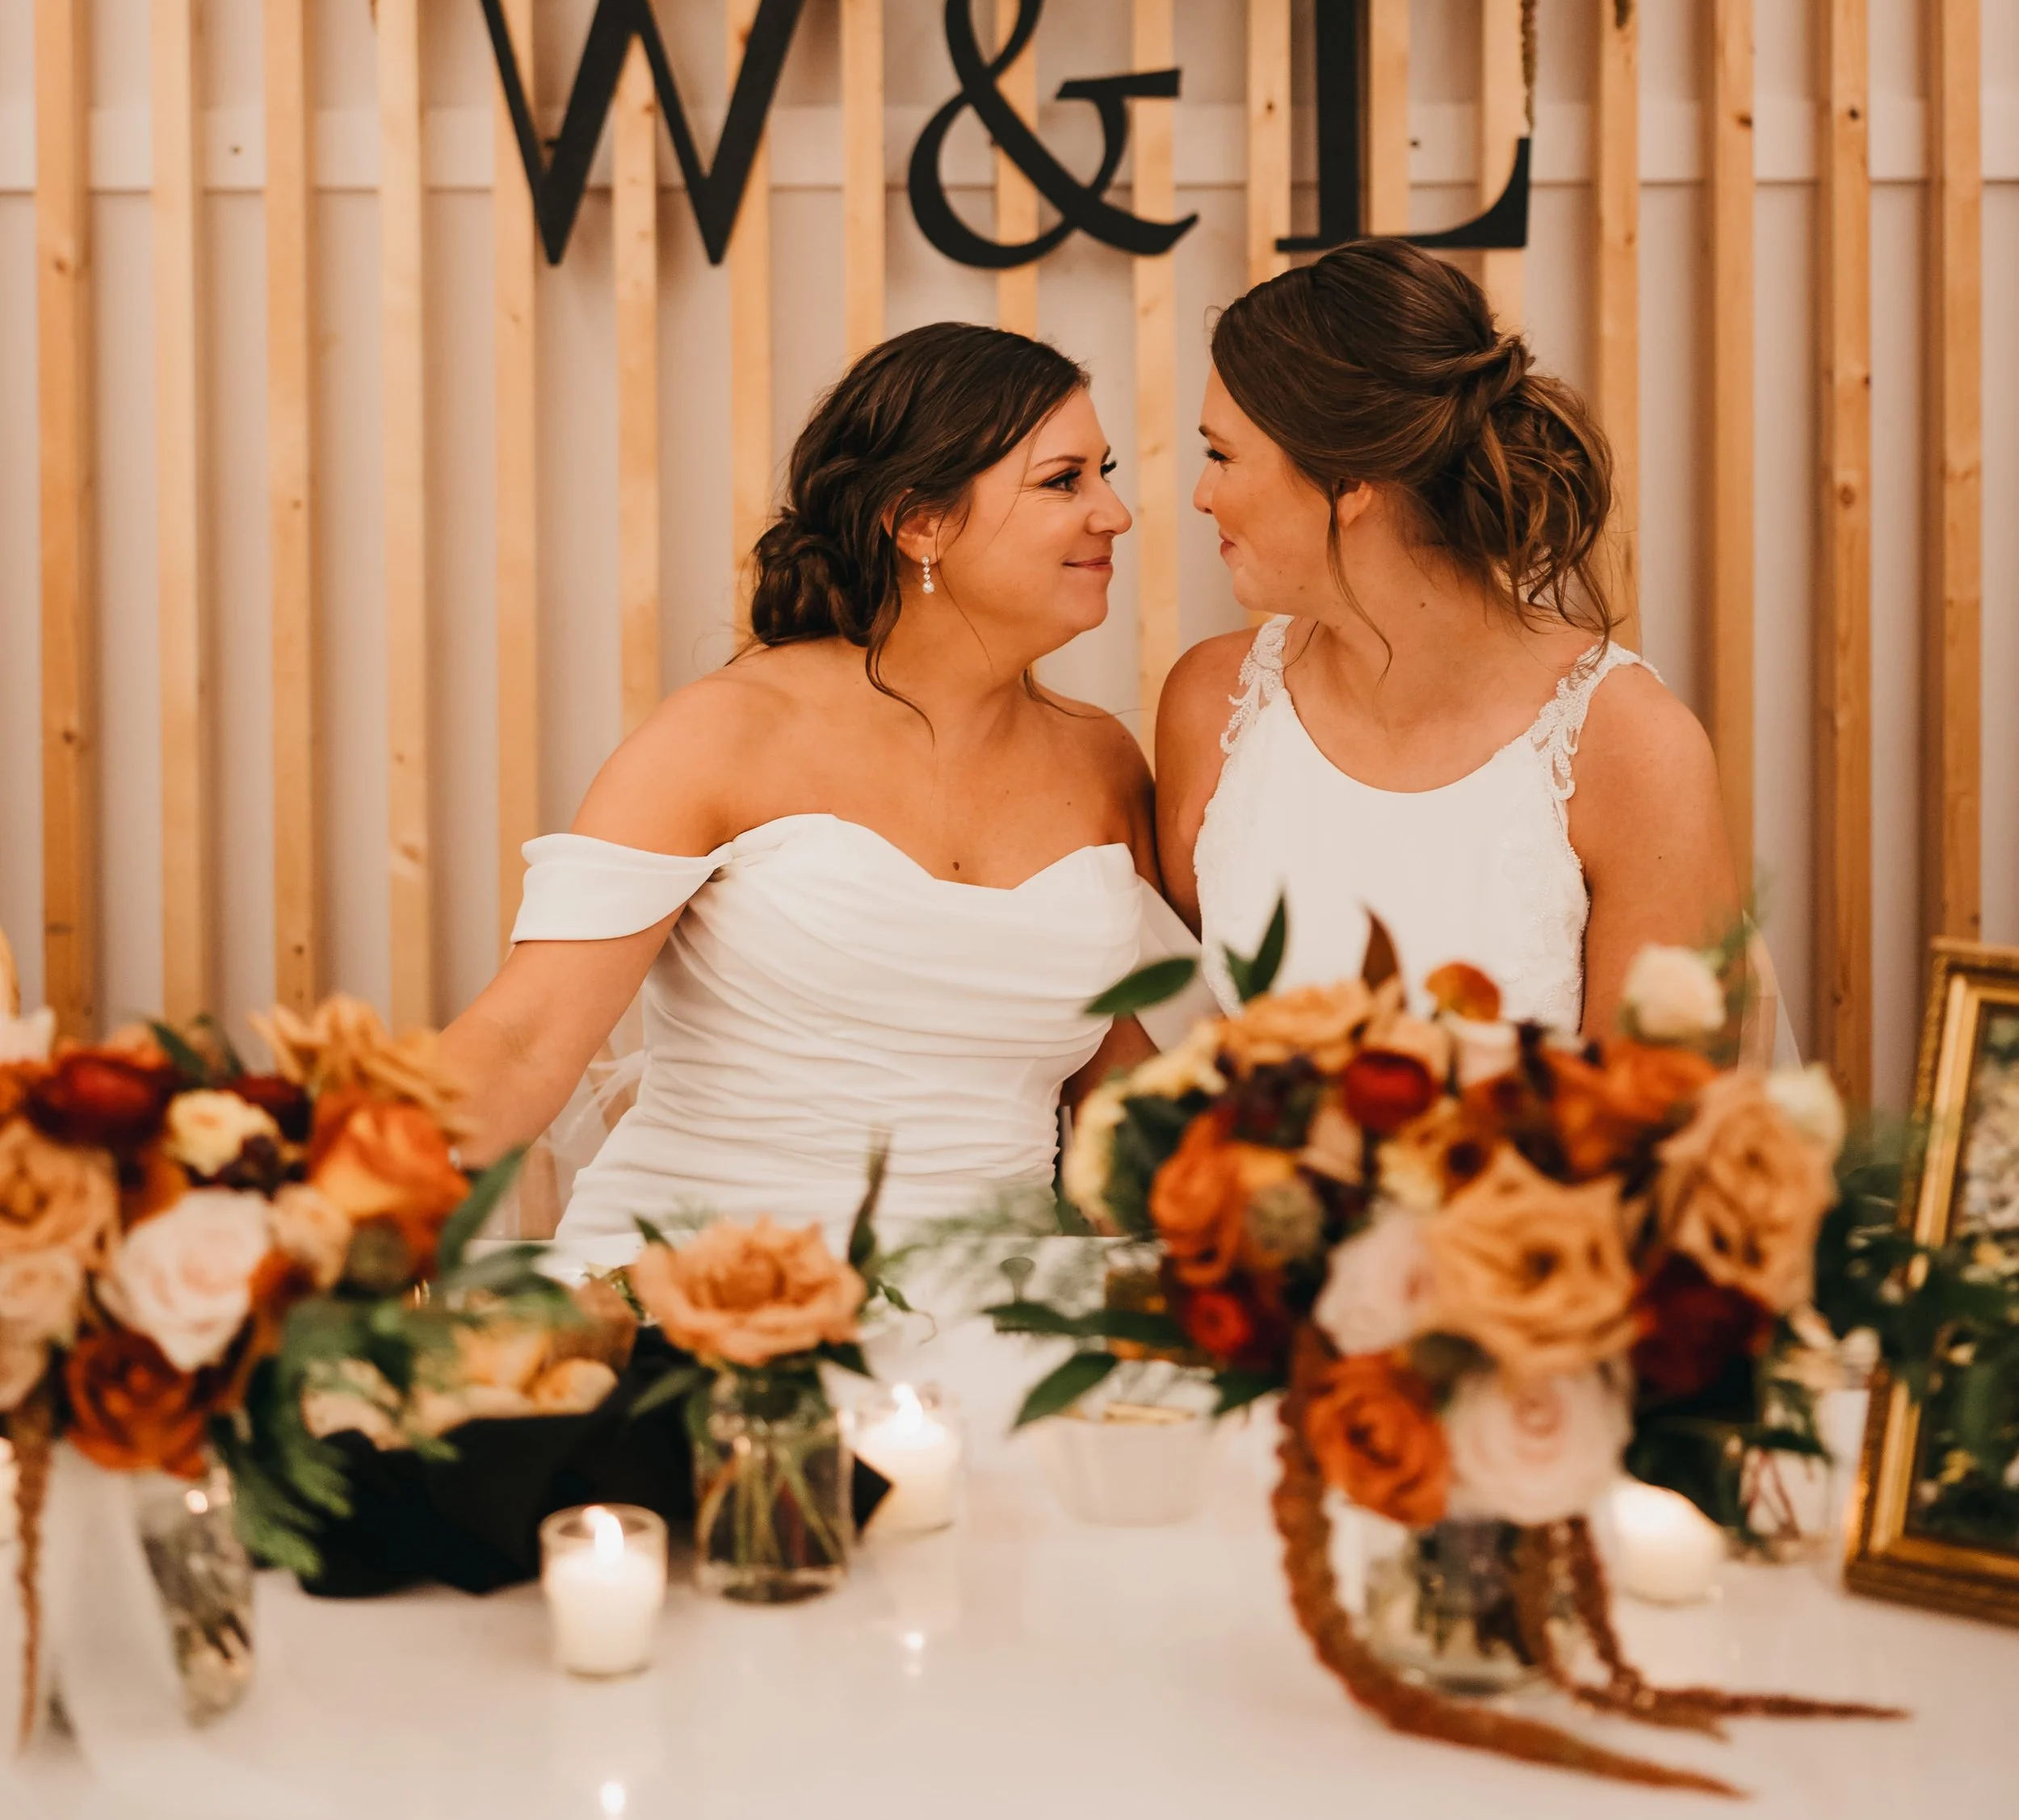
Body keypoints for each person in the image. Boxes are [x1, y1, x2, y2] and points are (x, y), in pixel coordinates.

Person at [443, 325, 1169, 1262]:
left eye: (1105, 474)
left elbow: (1119, 1101)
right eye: (1064, 481)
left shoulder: (1101, 761)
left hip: (992, 1310)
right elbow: (525, 1040)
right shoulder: (725, 734)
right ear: (920, 523)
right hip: (693, 1294)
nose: (1115, 513)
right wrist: (333, 1204)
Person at [1155, 240, 1739, 1037]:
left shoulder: (1632, 745)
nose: (1201, 494)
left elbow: (1658, 1096)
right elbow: (1187, 1037)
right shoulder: (1209, 706)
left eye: (1221, 455)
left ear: (1347, 482)